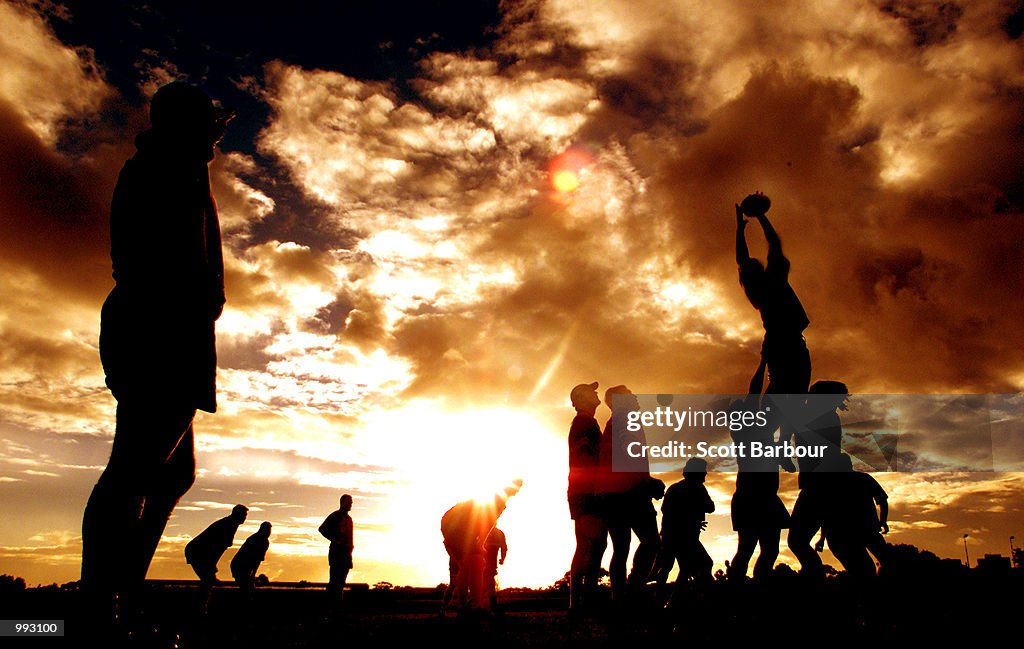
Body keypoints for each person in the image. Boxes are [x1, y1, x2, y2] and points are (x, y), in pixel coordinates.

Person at [81, 81, 233, 618]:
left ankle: (120, 591)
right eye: (207, 123)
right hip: (159, 331)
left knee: (171, 473)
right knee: (134, 470)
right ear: (183, 125)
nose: (215, 133)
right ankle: (98, 606)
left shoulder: (181, 166)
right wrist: (189, 313)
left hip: (172, 330)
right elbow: (160, 265)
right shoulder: (161, 169)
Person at [735, 193, 811, 472]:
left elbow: (741, 260)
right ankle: (777, 442)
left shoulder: (756, 292)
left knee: (783, 393)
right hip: (789, 344)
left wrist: (739, 229)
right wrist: (762, 218)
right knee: (794, 395)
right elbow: (774, 245)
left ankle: (776, 442)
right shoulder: (774, 283)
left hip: (778, 344)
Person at [596, 385, 664, 602]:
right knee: (650, 542)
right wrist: (647, 482)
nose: (635, 397)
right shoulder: (625, 422)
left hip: (615, 495)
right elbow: (628, 459)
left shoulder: (615, 424)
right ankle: (633, 589)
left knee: (622, 548)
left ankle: (621, 597)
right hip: (630, 494)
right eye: (629, 395)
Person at [729, 360, 791, 581]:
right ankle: (751, 588)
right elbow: (755, 391)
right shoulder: (751, 432)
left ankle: (748, 588)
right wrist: (765, 362)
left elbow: (756, 394)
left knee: (755, 550)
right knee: (759, 550)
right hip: (757, 498)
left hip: (755, 497)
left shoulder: (754, 433)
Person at [788, 380, 848, 579]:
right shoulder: (826, 416)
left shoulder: (819, 416)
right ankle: (816, 579)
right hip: (823, 486)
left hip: (819, 488)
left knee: (798, 541)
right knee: (837, 544)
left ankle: (816, 580)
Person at [440, 480, 522, 615]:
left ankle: (466, 607)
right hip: (455, 526)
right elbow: (486, 526)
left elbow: (484, 525)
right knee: (476, 560)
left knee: (468, 564)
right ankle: (475, 606)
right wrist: (480, 545)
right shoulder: (497, 502)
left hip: (451, 524)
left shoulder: (495, 499)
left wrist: (479, 544)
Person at [567, 381, 607, 613]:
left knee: (585, 545)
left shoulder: (582, 422)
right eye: (591, 392)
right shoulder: (585, 422)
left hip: (579, 490)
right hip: (588, 491)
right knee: (594, 544)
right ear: (582, 398)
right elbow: (586, 451)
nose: (596, 394)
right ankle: (586, 602)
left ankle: (578, 603)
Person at [816, 453, 889, 580]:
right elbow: (827, 514)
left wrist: (883, 521)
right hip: (854, 532)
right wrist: (883, 521)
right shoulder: (861, 479)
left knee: (876, 566)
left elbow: (826, 514)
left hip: (860, 531)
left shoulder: (834, 485)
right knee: (869, 568)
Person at [658, 458, 715, 595]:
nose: (705, 474)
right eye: (703, 471)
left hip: (678, 536)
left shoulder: (680, 488)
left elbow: (710, 507)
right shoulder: (689, 489)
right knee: (678, 567)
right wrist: (690, 518)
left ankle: (670, 598)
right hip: (680, 537)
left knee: (678, 567)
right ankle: (670, 598)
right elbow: (667, 511)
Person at [185, 504, 248, 611]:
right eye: (244, 515)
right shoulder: (227, 525)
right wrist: (212, 567)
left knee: (208, 580)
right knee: (208, 580)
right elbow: (215, 549)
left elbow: (217, 550)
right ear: (237, 514)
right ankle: (199, 607)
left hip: (199, 552)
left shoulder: (232, 524)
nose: (245, 518)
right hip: (197, 552)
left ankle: (201, 606)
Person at [319, 494, 355, 602]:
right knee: (335, 581)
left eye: (351, 502)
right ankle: (331, 604)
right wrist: (334, 539)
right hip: (336, 553)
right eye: (349, 502)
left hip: (346, 553)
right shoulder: (335, 516)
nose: (351, 504)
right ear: (342, 502)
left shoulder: (349, 519)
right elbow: (322, 529)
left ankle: (338, 603)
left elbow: (350, 536)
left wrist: (350, 548)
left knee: (342, 581)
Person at [231, 522, 272, 596]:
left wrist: (252, 575)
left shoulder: (256, 538)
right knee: (247, 588)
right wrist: (253, 575)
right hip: (240, 566)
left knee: (247, 588)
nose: (269, 533)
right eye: (268, 530)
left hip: (238, 565)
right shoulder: (261, 541)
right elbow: (257, 560)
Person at [483, 527, 508, 611]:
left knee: (487, 584)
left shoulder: (481, 530)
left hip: (486, 563)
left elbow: (504, 547)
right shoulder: (499, 533)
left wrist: (502, 558)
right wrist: (502, 558)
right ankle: (492, 606)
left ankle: (474, 604)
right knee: (488, 584)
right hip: (484, 562)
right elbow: (504, 547)